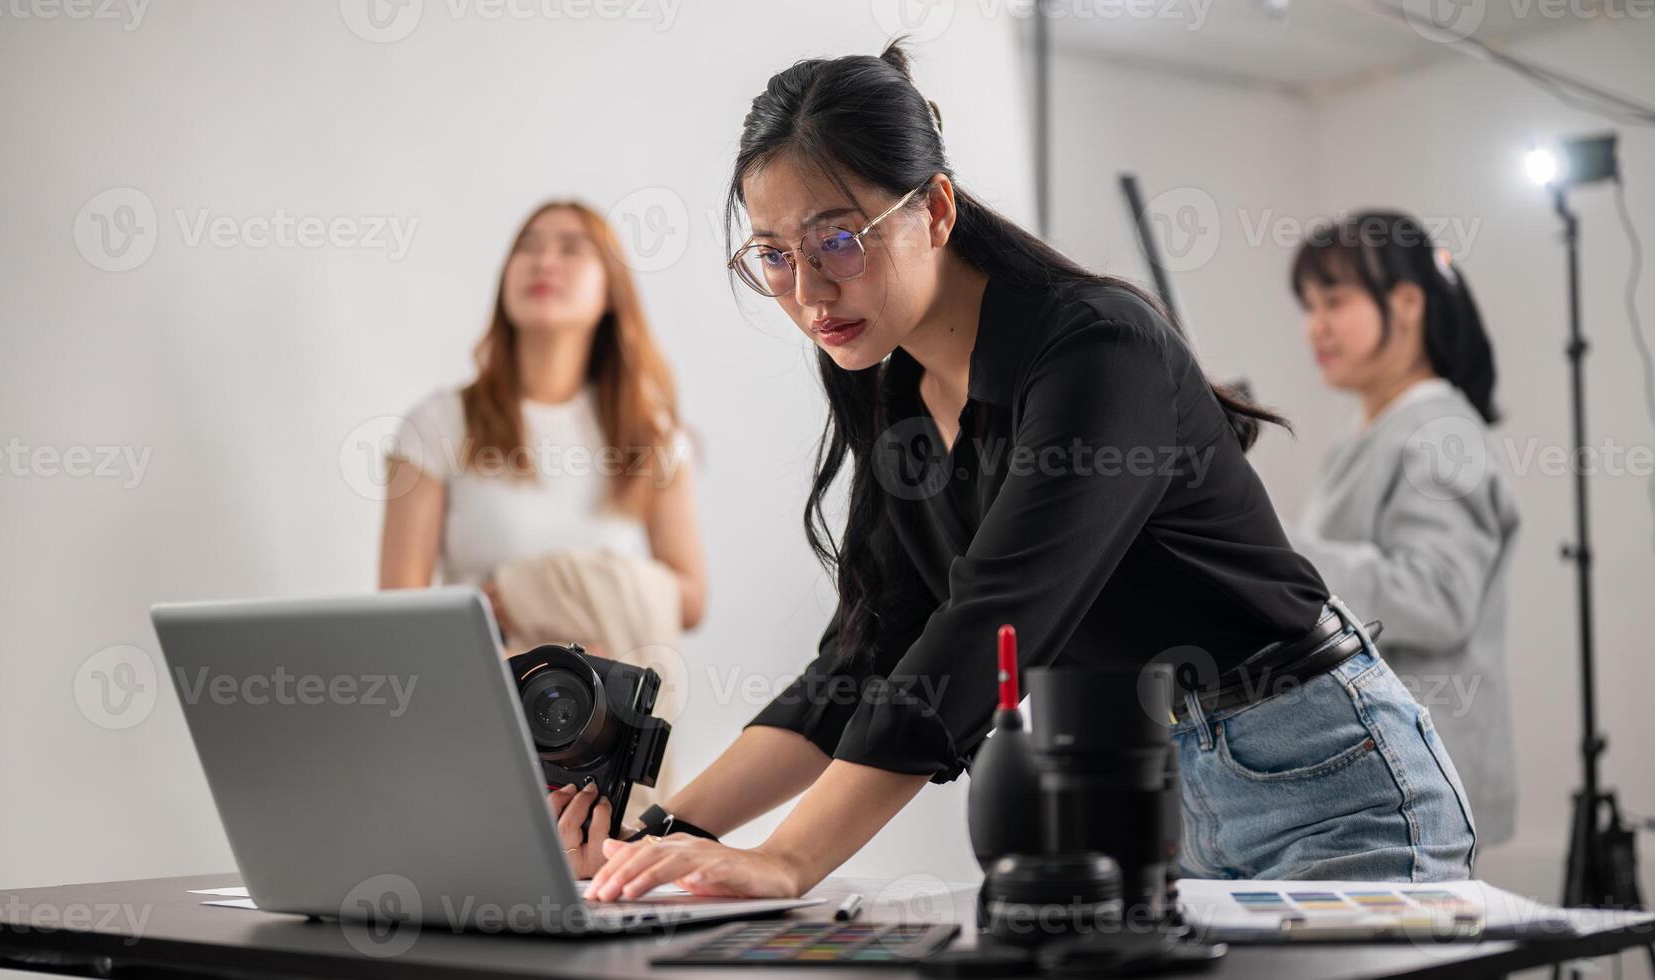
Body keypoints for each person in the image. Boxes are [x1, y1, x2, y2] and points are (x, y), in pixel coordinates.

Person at [553, 42, 1476, 898]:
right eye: (774, 256)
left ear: (937, 211)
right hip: (1152, 791)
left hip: (1325, 775)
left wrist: (787, 859)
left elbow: (989, 626)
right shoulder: (893, 389)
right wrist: (660, 833)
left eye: (837, 239)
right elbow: (869, 656)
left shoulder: (1099, 353)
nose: (808, 291)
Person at [380, 200, 707, 815]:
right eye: (528, 245)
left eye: (571, 248)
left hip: (605, 735)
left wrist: (533, 588)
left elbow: (689, 597)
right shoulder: (438, 424)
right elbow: (401, 613)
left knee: (609, 895)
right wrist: (518, 667)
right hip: (483, 713)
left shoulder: (650, 433)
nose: (543, 262)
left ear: (612, 291)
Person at [1286, 212, 1520, 849]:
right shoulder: (1363, 436)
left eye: (1334, 300)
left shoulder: (1440, 430)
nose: (1317, 325)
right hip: (1378, 774)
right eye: (1309, 305)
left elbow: (1436, 599)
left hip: (1420, 782)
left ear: (1408, 302)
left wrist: (1283, 555)